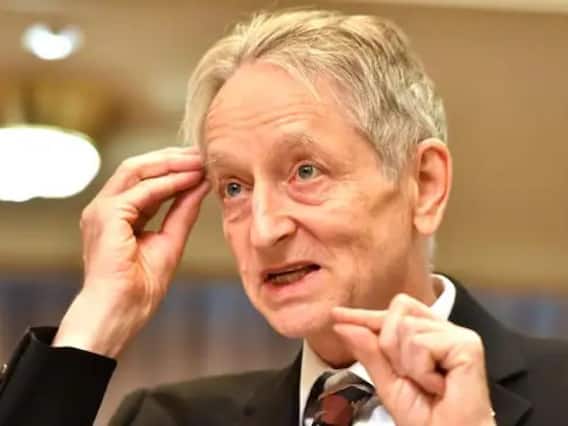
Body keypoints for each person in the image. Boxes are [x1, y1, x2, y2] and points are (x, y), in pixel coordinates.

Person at [0, 9, 566, 426]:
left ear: (424, 185)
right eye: (234, 187)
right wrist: (99, 318)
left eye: (305, 172)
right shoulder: (165, 418)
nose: (264, 229)